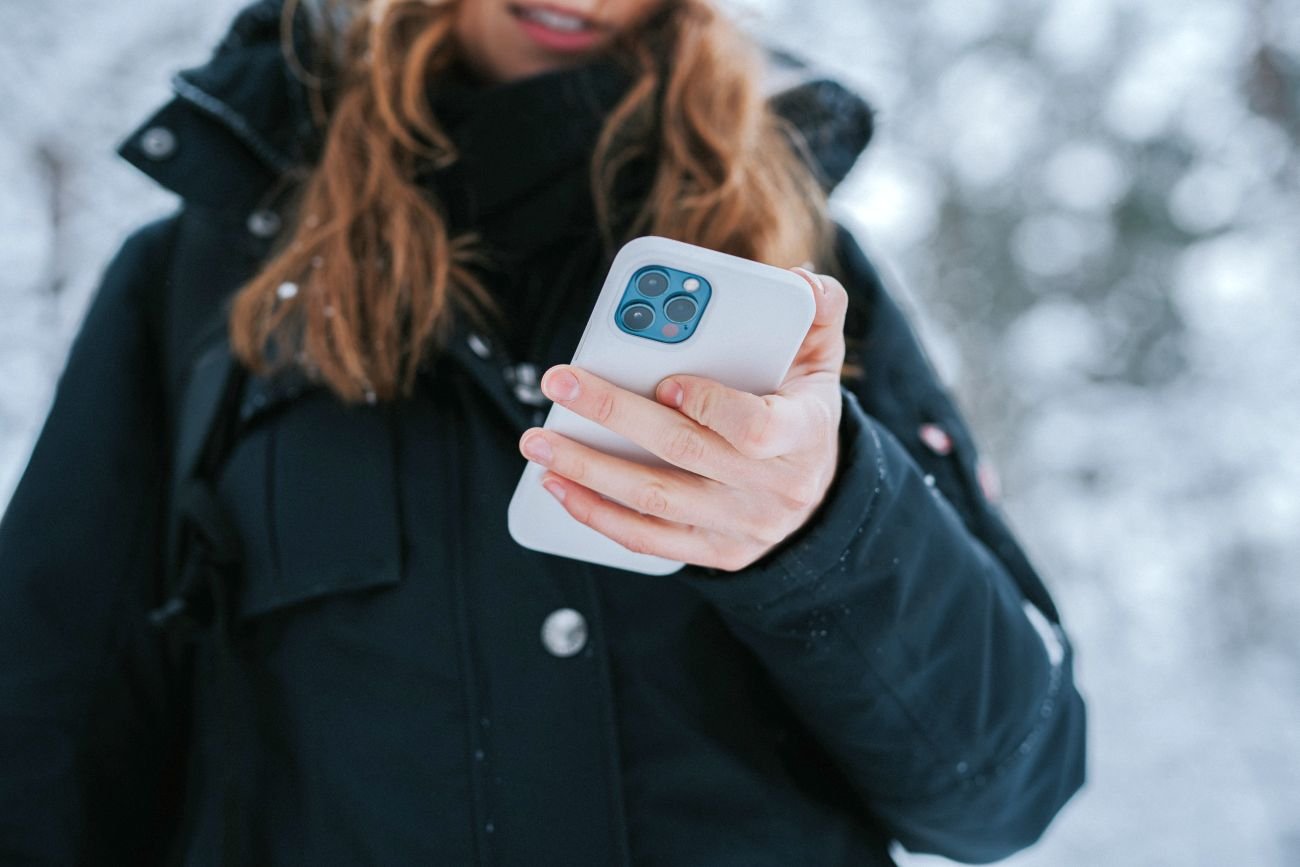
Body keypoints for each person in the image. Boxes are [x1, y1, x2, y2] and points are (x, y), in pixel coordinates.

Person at [0, 0, 1086, 863]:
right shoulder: (198, 278)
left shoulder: (801, 274)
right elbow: (44, 749)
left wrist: (824, 528)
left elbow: (1007, 789)